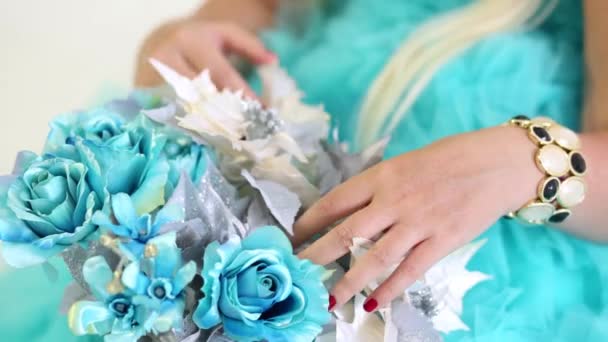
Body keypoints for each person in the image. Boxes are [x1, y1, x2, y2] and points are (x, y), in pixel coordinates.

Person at [136, 0, 608, 339]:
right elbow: (259, 10)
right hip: (249, 205)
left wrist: (523, 161)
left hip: (486, 269)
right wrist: (183, 45)